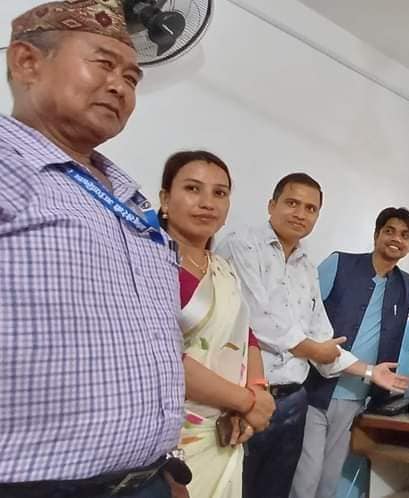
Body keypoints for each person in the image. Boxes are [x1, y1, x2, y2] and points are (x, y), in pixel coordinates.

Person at [0, 2, 189, 497]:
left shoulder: (129, 195)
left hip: (148, 478)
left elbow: (152, 339)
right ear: (26, 62)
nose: (120, 87)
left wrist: (165, 466)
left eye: (131, 78)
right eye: (103, 64)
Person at [291, 206, 409, 498]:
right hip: (315, 390)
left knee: (329, 480)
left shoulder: (407, 285)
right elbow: (301, 307)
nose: (396, 239)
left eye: (405, 235)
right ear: (376, 235)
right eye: (389, 231)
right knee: (305, 479)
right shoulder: (339, 264)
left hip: (356, 397)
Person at [216, 173, 355, 498]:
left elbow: (321, 331)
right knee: (238, 489)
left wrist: (369, 371)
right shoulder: (242, 244)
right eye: (292, 203)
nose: (300, 214)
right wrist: (314, 350)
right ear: (272, 205)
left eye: (310, 208)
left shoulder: (306, 265)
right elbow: (257, 318)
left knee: (276, 490)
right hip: (247, 398)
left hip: (294, 399)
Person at [158, 151, 277, 498]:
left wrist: (257, 389)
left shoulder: (222, 268)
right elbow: (162, 358)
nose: (207, 203)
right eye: (192, 189)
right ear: (165, 199)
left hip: (226, 433)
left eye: (220, 193)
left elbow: (246, 334)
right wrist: (247, 401)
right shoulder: (150, 266)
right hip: (170, 440)